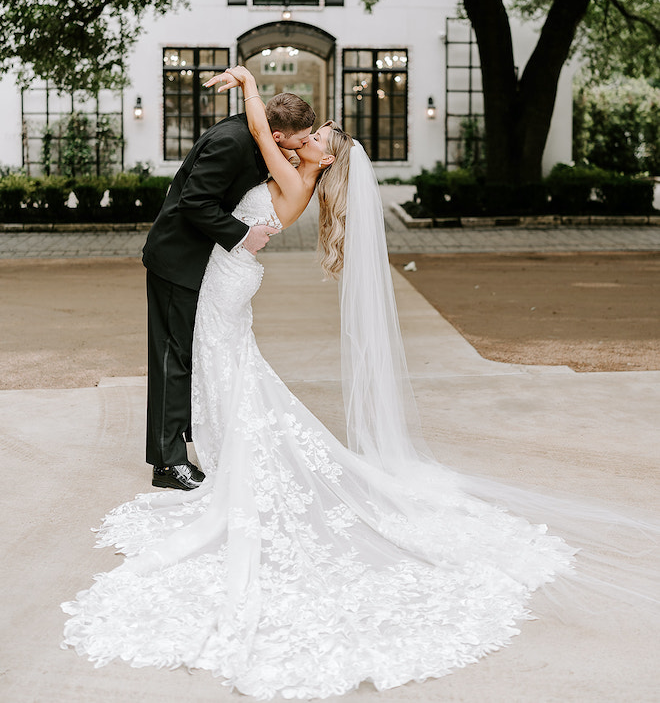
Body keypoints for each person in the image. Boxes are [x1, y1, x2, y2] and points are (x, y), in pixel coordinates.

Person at [62, 69, 659, 699]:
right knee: (219, 364)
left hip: (228, 279)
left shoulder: (293, 174)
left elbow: (263, 134)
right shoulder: (298, 176)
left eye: (315, 138)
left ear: (320, 157)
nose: (308, 139)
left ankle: (195, 451)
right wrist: (249, 100)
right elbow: (254, 149)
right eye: (310, 131)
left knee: (217, 363)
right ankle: (192, 448)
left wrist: (248, 85)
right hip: (225, 276)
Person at [141, 89, 315, 490]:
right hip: (178, 260)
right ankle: (168, 464)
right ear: (276, 135)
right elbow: (194, 202)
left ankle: (180, 441)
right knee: (173, 359)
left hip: (204, 264)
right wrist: (243, 235)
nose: (303, 145)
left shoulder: (255, 133)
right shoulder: (232, 141)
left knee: (187, 354)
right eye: (300, 139)